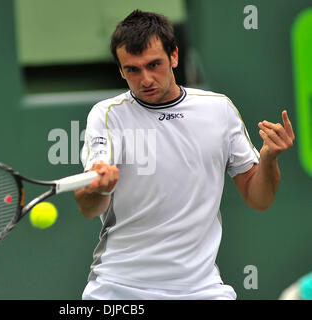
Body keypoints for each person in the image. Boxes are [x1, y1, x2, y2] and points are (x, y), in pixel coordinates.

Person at [74, 9, 295, 300]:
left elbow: (259, 198)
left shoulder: (219, 110)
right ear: (121, 70)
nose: (146, 79)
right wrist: (96, 188)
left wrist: (268, 160)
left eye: (154, 64)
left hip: (202, 290)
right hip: (119, 290)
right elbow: (91, 207)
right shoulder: (106, 116)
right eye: (133, 70)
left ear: (174, 56)